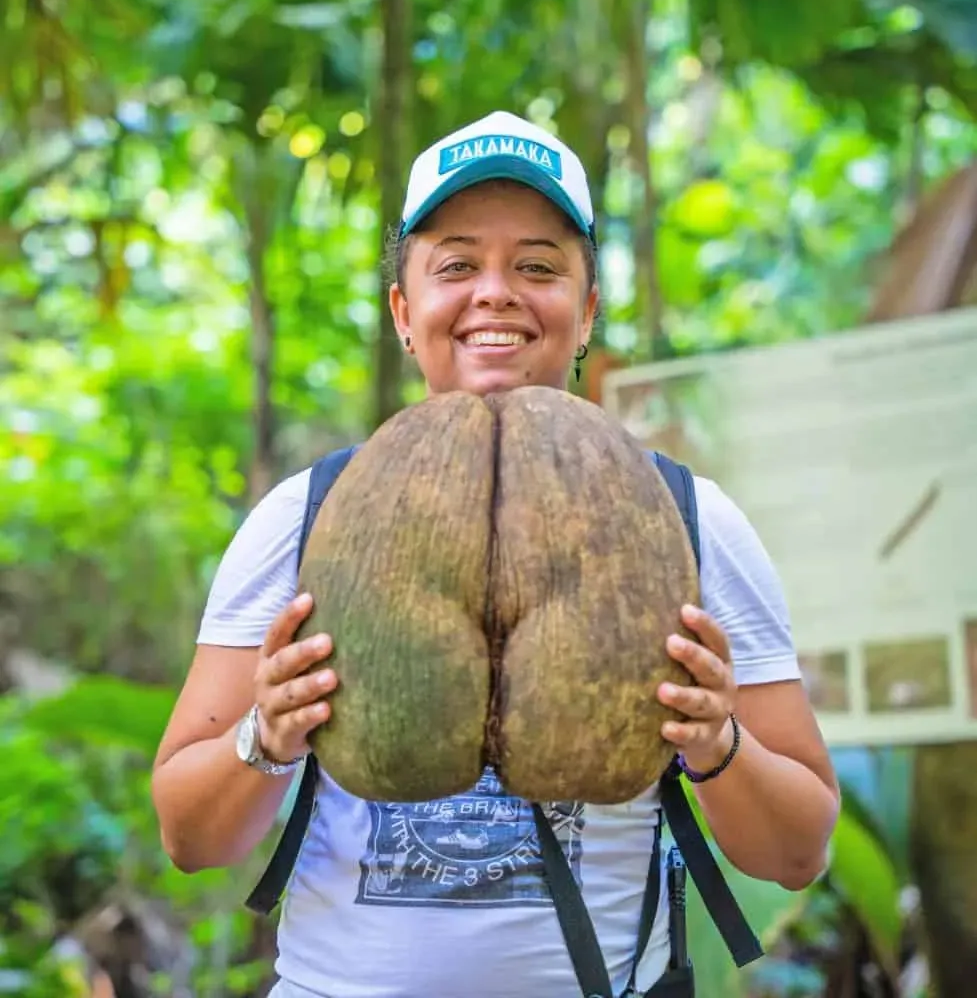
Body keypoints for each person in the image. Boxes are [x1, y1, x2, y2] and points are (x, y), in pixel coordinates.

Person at [152, 110, 840, 998]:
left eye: (538, 267)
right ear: (405, 310)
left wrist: (716, 744)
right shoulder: (306, 515)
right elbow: (188, 839)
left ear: (586, 308)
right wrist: (268, 736)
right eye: (455, 265)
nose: (495, 292)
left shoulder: (686, 516)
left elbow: (796, 852)